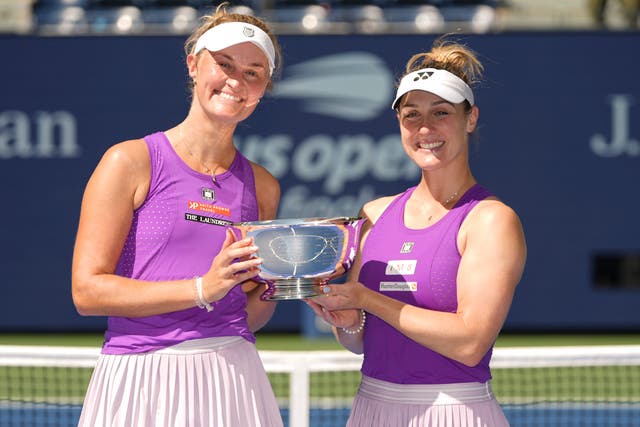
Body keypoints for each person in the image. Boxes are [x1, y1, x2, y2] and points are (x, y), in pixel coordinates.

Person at [71, 4, 284, 426]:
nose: (235, 81)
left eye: (252, 72)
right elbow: (87, 292)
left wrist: (288, 289)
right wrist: (202, 287)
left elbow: (246, 308)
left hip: (232, 375)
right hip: (140, 377)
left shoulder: (263, 186)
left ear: (262, 89)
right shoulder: (128, 161)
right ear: (193, 65)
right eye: (223, 64)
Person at [306, 38, 527, 427]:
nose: (425, 128)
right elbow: (359, 341)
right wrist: (345, 318)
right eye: (411, 115)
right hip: (372, 407)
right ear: (399, 123)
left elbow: (470, 342)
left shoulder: (491, 220)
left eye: (441, 113)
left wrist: (367, 299)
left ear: (470, 118)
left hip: (453, 411)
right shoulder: (374, 214)